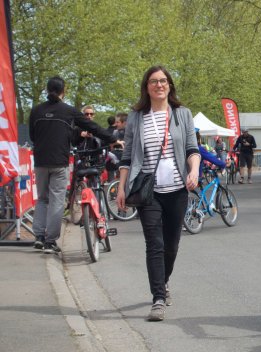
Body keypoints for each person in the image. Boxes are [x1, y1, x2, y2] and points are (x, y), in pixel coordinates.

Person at [116, 65, 200, 321]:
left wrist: (193, 170)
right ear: (147, 87)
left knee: (171, 246)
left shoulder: (182, 114)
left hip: (177, 189)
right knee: (155, 244)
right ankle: (158, 299)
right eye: (153, 81)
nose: (159, 85)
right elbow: (128, 155)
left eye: (163, 81)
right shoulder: (136, 117)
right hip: (147, 190)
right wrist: (121, 187)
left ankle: (163, 282)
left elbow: (191, 148)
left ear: (169, 85)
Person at [29, 77, 117, 253]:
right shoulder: (68, 111)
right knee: (56, 200)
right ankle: (50, 242)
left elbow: (32, 136)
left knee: (43, 198)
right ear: (64, 91)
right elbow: (92, 127)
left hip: (40, 161)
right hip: (59, 161)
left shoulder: (36, 111)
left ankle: (38, 236)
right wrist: (114, 139)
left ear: (47, 89)